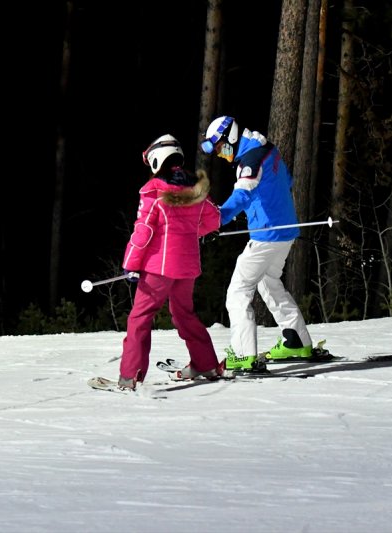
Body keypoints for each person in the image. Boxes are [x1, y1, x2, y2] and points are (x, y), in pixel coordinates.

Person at [200, 115, 321, 372]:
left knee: (238, 292)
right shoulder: (267, 149)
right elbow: (286, 181)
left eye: (220, 147)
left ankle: (243, 355)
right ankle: (296, 341)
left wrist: (216, 219)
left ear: (230, 137)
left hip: (267, 237)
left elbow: (242, 194)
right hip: (284, 232)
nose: (220, 154)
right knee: (269, 284)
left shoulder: (251, 160)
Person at [117, 134, 224, 390]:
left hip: (159, 268)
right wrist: (188, 232)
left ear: (156, 159)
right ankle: (206, 364)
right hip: (187, 267)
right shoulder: (196, 188)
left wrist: (130, 263)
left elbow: (143, 231)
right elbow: (214, 220)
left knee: (140, 318)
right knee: (184, 314)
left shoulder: (154, 190)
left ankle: (130, 376)